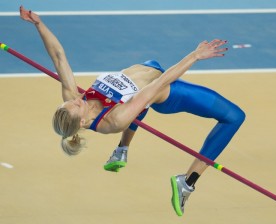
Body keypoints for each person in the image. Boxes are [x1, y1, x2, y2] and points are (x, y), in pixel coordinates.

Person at [20, 6, 245, 216]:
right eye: (78, 105)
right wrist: (195, 55)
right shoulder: (114, 120)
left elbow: (58, 56)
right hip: (168, 91)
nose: (79, 99)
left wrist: (39, 25)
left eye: (72, 101)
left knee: (133, 103)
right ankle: (187, 182)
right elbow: (156, 87)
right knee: (234, 117)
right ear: (81, 123)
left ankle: (121, 150)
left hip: (147, 69)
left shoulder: (74, 100)